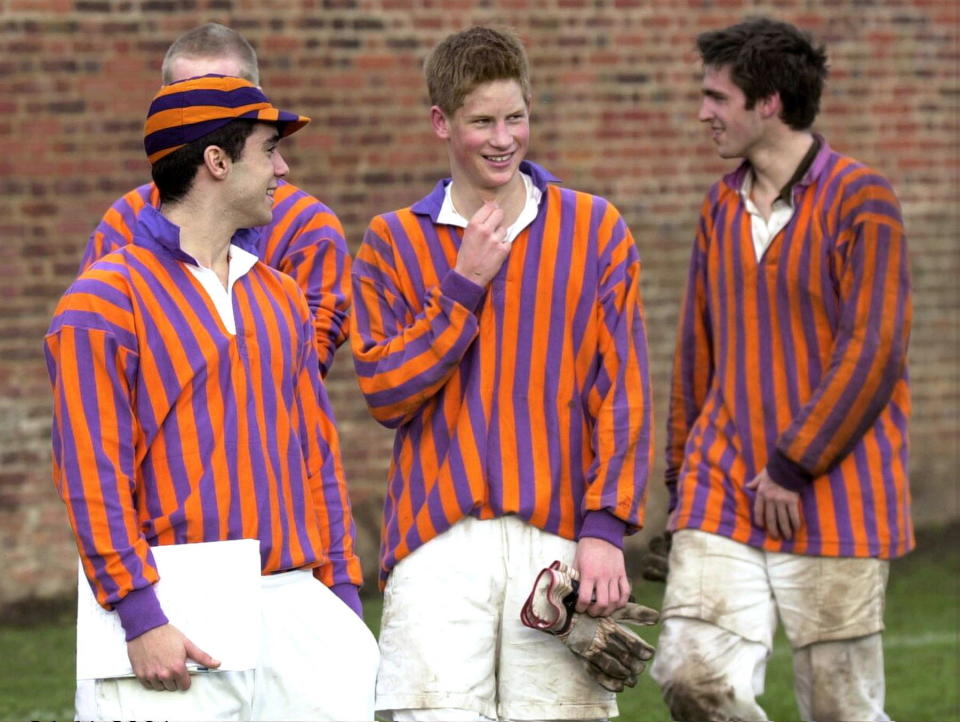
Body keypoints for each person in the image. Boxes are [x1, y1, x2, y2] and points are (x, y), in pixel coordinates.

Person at [46, 74, 377, 721]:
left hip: (296, 605)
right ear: (217, 162)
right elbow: (93, 476)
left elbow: (316, 455)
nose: (283, 167)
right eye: (268, 149)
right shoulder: (101, 303)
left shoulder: (280, 296)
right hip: (174, 620)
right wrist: (140, 617)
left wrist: (339, 595)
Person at [351, 25, 654, 721]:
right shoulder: (392, 242)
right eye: (481, 121)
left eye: (514, 117)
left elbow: (624, 391)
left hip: (557, 538)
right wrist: (461, 288)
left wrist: (605, 530)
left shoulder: (595, 229)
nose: (502, 138)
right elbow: (385, 393)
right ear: (441, 123)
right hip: (435, 541)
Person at [650, 17, 913, 721]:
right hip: (721, 487)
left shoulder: (863, 200)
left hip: (838, 493)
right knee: (690, 680)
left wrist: (794, 464)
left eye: (717, 97)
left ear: (768, 102)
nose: (703, 112)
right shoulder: (718, 208)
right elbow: (695, 354)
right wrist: (681, 484)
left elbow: (875, 349)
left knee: (841, 710)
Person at [83, 22, 350, 377]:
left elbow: (303, 376)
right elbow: (97, 367)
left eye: (224, 98)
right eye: (188, 97)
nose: (204, 112)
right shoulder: (124, 221)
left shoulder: (307, 227)